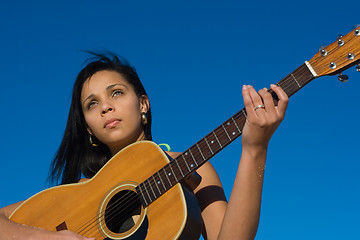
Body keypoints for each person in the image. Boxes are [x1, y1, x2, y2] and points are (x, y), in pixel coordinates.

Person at [0, 53, 289, 240]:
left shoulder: (187, 166)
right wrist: (44, 237)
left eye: (116, 93)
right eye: (92, 104)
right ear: (88, 127)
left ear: (143, 104)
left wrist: (255, 149)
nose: (105, 107)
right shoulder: (77, 194)